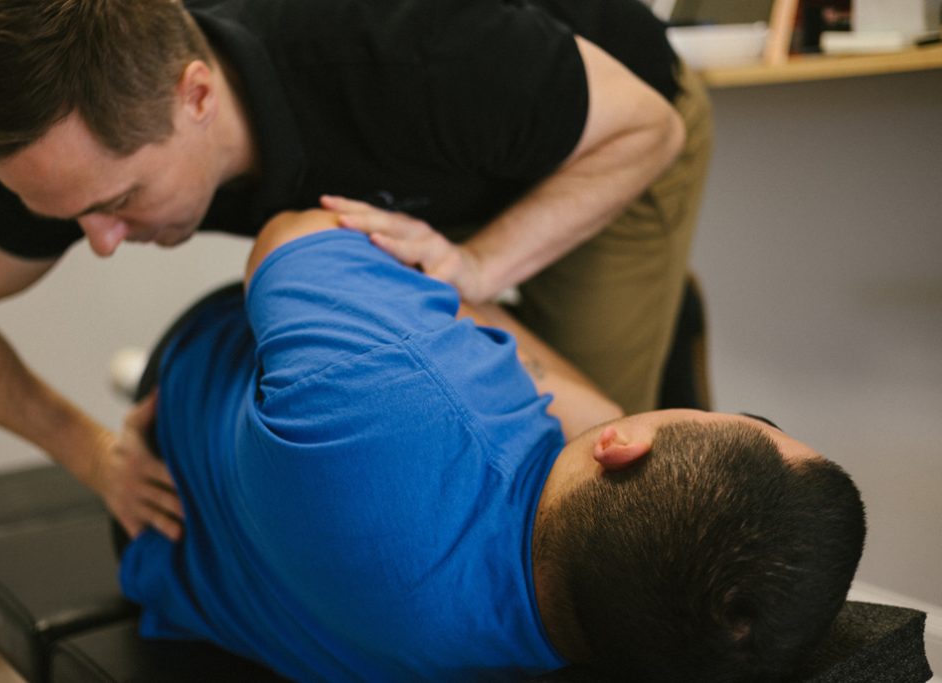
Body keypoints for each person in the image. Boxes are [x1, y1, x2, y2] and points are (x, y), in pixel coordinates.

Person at [0, 0, 711, 543]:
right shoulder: (72, 153)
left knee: (590, 486)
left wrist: (478, 262)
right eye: (72, 214)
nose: (101, 241)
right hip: (426, 166)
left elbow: (648, 129)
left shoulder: (404, 48)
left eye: (122, 201)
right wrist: (92, 455)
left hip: (602, 137)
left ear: (196, 96)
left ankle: (662, 321)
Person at [115, 209, 866, 682]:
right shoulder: (579, 638)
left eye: (741, 417)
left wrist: (460, 285)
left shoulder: (404, 388)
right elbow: (599, 418)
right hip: (199, 573)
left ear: (621, 446)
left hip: (176, 417)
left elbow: (291, 234)